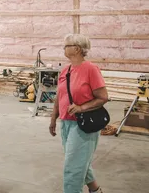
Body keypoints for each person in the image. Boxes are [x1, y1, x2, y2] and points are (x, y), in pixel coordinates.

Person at [50, 34, 107, 193]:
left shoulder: (90, 69)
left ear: (77, 49)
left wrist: (81, 108)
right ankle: (95, 190)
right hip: (66, 123)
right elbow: (60, 96)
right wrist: (53, 118)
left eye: (66, 46)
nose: (64, 49)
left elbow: (103, 97)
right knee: (78, 161)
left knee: (72, 169)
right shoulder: (65, 70)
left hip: (83, 124)